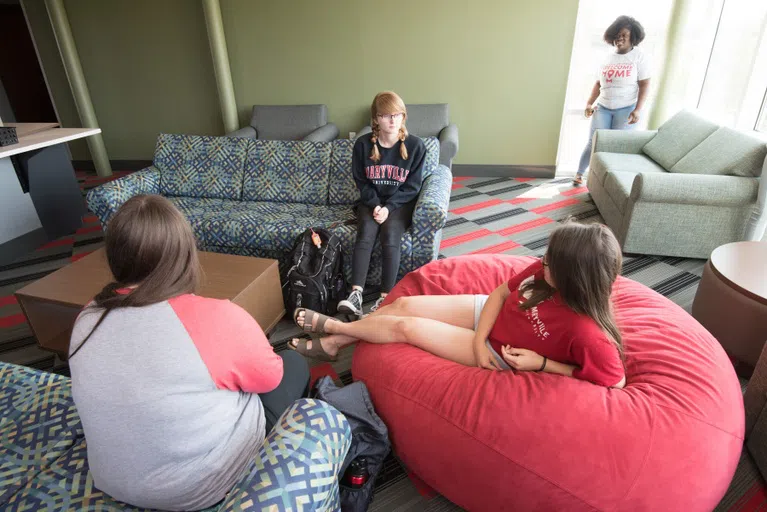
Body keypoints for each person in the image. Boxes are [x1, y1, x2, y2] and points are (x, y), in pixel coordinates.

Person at [67, 195, 310, 511]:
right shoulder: (216, 316)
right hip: (197, 489)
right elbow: (269, 378)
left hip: (112, 480)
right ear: (184, 254)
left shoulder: (88, 315)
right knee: (293, 363)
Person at [290, 221, 627, 389]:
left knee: (403, 327)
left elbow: (614, 381)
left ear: (574, 279)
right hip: (487, 318)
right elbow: (499, 294)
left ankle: (335, 328)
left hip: (500, 350)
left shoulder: (589, 334)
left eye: (552, 263)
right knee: (404, 303)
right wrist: (478, 337)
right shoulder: (545, 268)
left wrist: (542, 363)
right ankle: (336, 342)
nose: (542, 262)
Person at [337, 91, 427, 317]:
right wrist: (376, 205)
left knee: (390, 234)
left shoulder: (416, 146)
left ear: (403, 117)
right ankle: (355, 294)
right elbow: (362, 181)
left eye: (397, 115)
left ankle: (385, 298)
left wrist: (388, 208)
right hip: (372, 201)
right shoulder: (362, 145)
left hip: (400, 204)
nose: (393, 120)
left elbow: (412, 187)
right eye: (387, 116)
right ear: (376, 119)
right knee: (365, 232)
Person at [574, 15, 651, 185]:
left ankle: (606, 182)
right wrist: (589, 103)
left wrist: (637, 109)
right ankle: (579, 173)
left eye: (624, 34)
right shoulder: (607, 57)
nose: (619, 38)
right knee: (594, 142)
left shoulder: (638, 56)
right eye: (617, 34)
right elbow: (598, 83)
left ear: (633, 37)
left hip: (626, 109)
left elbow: (645, 85)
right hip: (603, 107)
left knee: (617, 147)